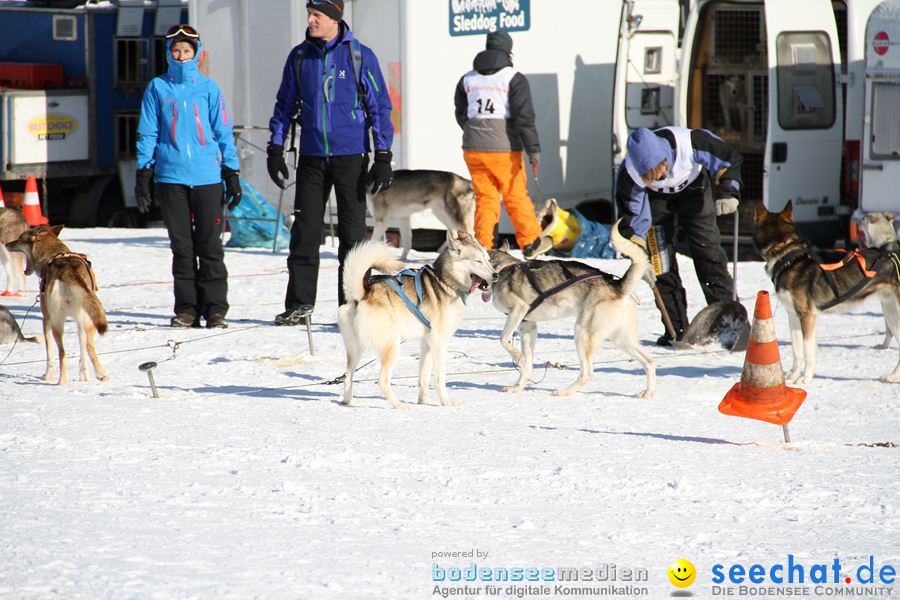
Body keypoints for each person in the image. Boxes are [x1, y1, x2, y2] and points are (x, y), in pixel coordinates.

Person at [267, 0, 394, 326]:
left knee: (352, 235)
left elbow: (379, 106)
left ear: (335, 19)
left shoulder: (359, 55)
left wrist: (382, 155)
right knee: (305, 232)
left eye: (317, 15)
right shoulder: (299, 57)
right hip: (311, 156)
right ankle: (299, 304)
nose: (310, 20)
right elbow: (284, 105)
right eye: (310, 14)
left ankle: (352, 305)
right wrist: (275, 148)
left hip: (350, 157)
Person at [135, 24, 242, 329]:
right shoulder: (157, 88)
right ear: (169, 53)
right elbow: (148, 131)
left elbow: (223, 131)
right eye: (177, 50)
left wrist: (231, 170)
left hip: (207, 177)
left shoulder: (208, 88)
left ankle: (216, 310)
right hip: (170, 177)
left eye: (187, 50)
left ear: (197, 53)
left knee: (209, 246)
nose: (182, 56)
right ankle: (186, 310)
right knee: (182, 248)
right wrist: (144, 170)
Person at [615, 126, 742, 345]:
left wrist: (729, 192)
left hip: (695, 191)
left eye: (660, 171)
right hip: (656, 204)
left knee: (708, 254)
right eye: (652, 178)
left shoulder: (690, 143)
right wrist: (637, 255)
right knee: (660, 263)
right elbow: (633, 219)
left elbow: (727, 159)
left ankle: (731, 325)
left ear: (665, 158)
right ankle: (677, 330)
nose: (662, 177)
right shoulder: (629, 176)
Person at [454, 31, 550, 258]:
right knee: (514, 195)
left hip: (473, 148)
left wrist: (473, 132)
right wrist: (533, 148)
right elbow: (524, 117)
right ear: (508, 52)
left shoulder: (468, 78)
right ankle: (531, 243)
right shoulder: (513, 77)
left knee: (486, 199)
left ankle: (483, 247)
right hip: (504, 150)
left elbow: (460, 112)